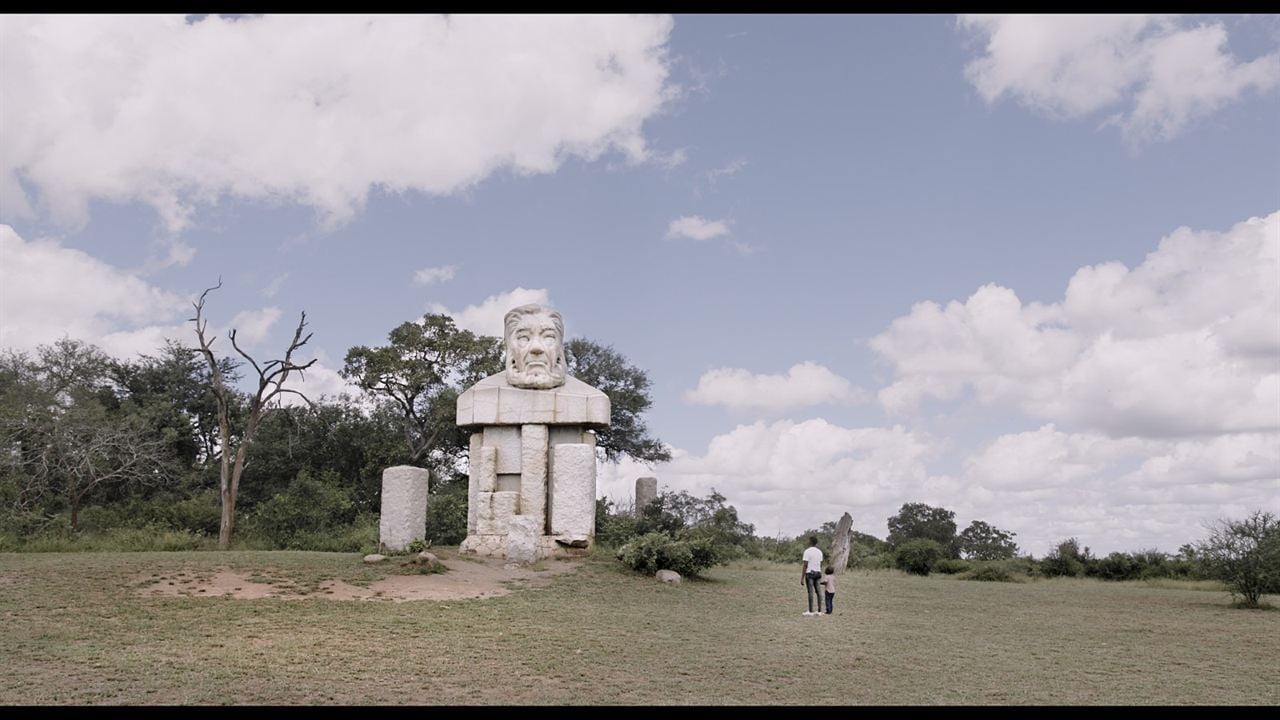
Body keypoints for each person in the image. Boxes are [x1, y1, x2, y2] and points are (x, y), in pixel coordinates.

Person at [801, 536, 824, 616]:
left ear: (810, 542)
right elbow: (820, 564)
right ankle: (819, 611)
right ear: (816, 543)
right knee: (819, 592)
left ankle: (811, 611)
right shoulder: (820, 552)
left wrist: (802, 578)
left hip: (810, 574)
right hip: (818, 573)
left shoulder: (807, 551)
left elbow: (805, 565)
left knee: (810, 592)